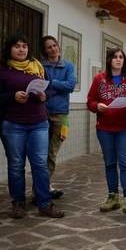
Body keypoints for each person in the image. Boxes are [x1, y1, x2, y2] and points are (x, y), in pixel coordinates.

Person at [0, 33, 64, 219]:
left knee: (40, 164)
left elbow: (50, 89)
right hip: (13, 124)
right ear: (9, 49)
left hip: (39, 123)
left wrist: (45, 95)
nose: (21, 49)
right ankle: (18, 203)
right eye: (17, 46)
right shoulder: (2, 72)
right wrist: (12, 96)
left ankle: (45, 203)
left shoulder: (37, 67)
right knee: (16, 165)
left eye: (24, 45)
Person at [87, 48, 126, 217]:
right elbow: (90, 101)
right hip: (104, 129)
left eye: (121, 57)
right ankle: (113, 197)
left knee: (125, 163)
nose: (118, 60)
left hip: (125, 128)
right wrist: (97, 106)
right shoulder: (99, 78)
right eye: (115, 57)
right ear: (109, 60)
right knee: (110, 163)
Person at [40, 35, 76, 199]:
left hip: (62, 116)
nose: (53, 49)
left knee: (52, 153)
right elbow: (39, 85)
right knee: (41, 153)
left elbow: (70, 86)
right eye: (49, 47)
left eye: (54, 45)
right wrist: (55, 86)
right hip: (42, 113)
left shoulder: (68, 66)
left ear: (58, 47)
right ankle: (42, 187)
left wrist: (51, 83)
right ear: (45, 50)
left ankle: (44, 186)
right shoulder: (41, 66)